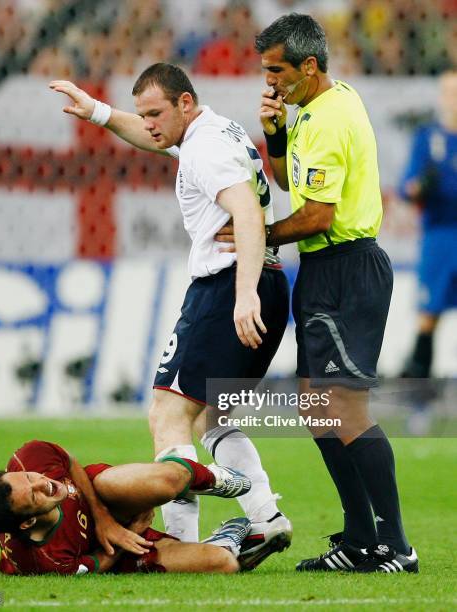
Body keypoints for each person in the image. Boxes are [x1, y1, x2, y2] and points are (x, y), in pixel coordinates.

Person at [49, 63, 292, 556]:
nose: (150, 123)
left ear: (185, 103)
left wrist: (243, 294)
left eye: (157, 112)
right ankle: (266, 517)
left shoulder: (204, 148)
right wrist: (96, 111)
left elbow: (246, 210)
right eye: (145, 113)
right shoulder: (212, 127)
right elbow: (152, 136)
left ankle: (180, 542)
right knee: (209, 418)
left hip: (229, 287)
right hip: (264, 280)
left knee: (167, 413)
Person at [217, 13, 418, 573]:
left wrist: (261, 236)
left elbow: (317, 214)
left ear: (309, 66)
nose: (270, 81)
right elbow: (286, 182)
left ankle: (396, 545)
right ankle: (360, 538)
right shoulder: (318, 107)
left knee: (343, 409)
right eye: (264, 71)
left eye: (277, 70)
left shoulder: (329, 120)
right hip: (327, 269)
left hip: (347, 268)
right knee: (316, 407)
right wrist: (277, 131)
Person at [0, 440, 278, 575]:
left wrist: (103, 518)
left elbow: (67, 460)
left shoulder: (27, 458)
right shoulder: (45, 560)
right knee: (222, 565)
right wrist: (129, 532)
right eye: (35, 496)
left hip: (103, 493)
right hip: (118, 551)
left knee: (167, 481)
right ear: (27, 523)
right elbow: (95, 566)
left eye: (29, 478)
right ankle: (224, 543)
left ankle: (212, 477)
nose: (43, 483)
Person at [399, 70, 457, 381]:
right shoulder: (428, 138)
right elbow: (407, 188)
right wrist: (422, 185)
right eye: (449, 93)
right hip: (439, 236)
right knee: (428, 314)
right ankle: (419, 396)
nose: (454, 100)